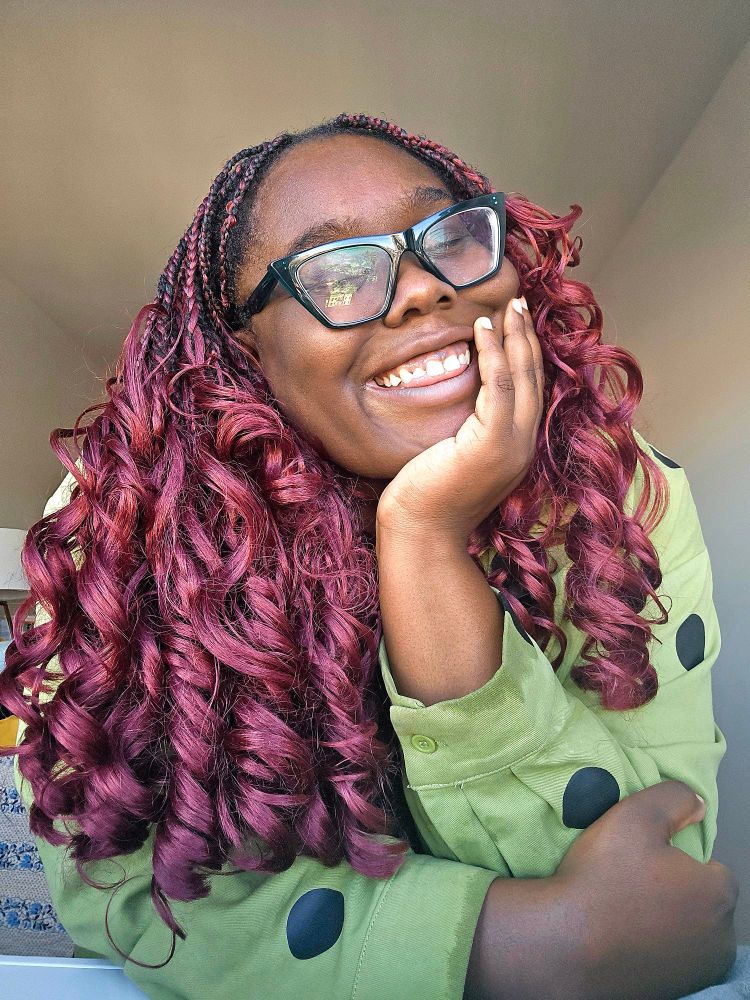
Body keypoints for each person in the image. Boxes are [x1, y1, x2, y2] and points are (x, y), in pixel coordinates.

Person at [0, 112, 740, 999]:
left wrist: (425, 545)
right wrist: (501, 945)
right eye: (336, 273)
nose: (422, 289)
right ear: (248, 349)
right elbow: (126, 885)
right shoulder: (124, 523)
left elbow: (656, 875)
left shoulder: (614, 488)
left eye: (449, 238)